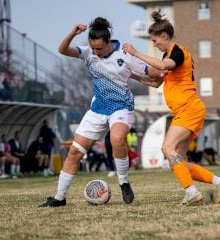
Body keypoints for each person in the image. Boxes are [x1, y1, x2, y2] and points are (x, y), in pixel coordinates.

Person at [39, 17, 159, 208]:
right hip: (97, 109)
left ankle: (124, 182)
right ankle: (59, 198)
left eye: (99, 49)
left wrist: (153, 69)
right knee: (74, 154)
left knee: (117, 139)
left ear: (109, 42)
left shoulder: (125, 55)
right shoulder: (88, 53)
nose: (95, 52)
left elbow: (153, 73)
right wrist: (72, 33)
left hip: (121, 107)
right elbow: (62, 50)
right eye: (93, 48)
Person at [122, 10, 220, 205]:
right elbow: (156, 82)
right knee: (178, 162)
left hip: (189, 108)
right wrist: (133, 75)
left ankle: (191, 192)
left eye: (155, 41)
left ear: (164, 36)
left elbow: (163, 65)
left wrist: (136, 53)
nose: (154, 44)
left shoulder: (177, 52)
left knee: (167, 148)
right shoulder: (169, 54)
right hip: (186, 110)